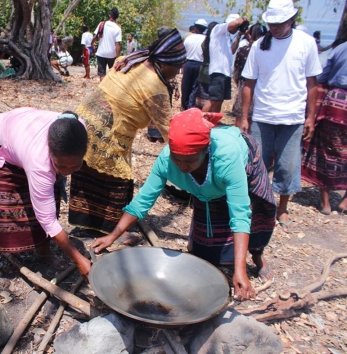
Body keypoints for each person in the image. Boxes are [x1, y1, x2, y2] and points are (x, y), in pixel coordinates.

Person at [91, 108, 277, 301]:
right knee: (205, 252)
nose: (181, 166)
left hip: (244, 170)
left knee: (256, 223)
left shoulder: (227, 159)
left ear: (205, 151)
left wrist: (241, 270)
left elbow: (239, 215)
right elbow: (142, 201)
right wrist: (113, 236)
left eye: (189, 161)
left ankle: (257, 256)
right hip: (207, 189)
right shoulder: (166, 160)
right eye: (176, 158)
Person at [68, 27, 186, 235]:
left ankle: (86, 224)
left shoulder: (130, 59)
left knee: (88, 172)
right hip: (107, 130)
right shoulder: (156, 88)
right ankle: (107, 230)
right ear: (165, 62)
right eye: (178, 67)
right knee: (118, 180)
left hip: (85, 119)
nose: (179, 72)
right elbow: (172, 132)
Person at [0, 108, 91, 286]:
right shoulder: (40, 163)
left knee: (51, 198)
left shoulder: (78, 131)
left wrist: (59, 171)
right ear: (50, 152)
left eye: (74, 167)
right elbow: (47, 219)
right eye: (61, 165)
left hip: (22, 134)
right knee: (1, 203)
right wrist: (78, 259)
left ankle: (43, 251)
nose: (67, 172)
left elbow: (48, 210)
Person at [240, 0, 322, 232]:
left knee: (287, 166)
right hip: (263, 116)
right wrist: (244, 117)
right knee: (256, 165)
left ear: (291, 20)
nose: (275, 27)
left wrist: (310, 117)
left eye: (280, 23)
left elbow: (312, 84)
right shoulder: (259, 46)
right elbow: (249, 83)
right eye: (272, 23)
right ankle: (258, 206)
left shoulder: (306, 43)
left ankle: (282, 208)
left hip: (292, 118)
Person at [302, 39, 347, 215]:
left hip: (336, 103)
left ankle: (325, 203)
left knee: (326, 150)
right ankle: (345, 203)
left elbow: (321, 77)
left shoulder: (340, 48)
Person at [201, 14, 248, 113]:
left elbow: (232, 50)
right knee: (213, 99)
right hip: (218, 71)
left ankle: (214, 120)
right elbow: (235, 22)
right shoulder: (218, 29)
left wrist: (238, 36)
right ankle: (201, 120)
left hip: (225, 72)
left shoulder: (226, 36)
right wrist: (243, 19)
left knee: (219, 99)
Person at [231, 24, 267, 126]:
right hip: (262, 85)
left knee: (242, 115)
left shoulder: (243, 50)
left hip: (245, 84)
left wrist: (238, 82)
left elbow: (236, 70)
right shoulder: (267, 50)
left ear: (250, 36)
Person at [181, 18, 207, 110]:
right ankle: (190, 106)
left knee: (185, 85)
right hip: (200, 64)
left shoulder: (189, 38)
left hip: (188, 63)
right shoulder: (206, 39)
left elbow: (183, 52)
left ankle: (184, 105)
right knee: (195, 87)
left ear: (195, 28)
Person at [91, 8, 122, 81]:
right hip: (112, 55)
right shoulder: (117, 28)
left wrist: (92, 44)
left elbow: (95, 37)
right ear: (117, 17)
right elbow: (118, 44)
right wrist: (118, 57)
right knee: (112, 74)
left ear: (109, 15)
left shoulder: (101, 24)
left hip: (101, 53)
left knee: (102, 74)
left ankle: (102, 91)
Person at [195, 21, 218, 109]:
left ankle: (200, 112)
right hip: (211, 70)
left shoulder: (205, 42)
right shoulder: (215, 43)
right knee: (211, 97)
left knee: (202, 94)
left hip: (203, 69)